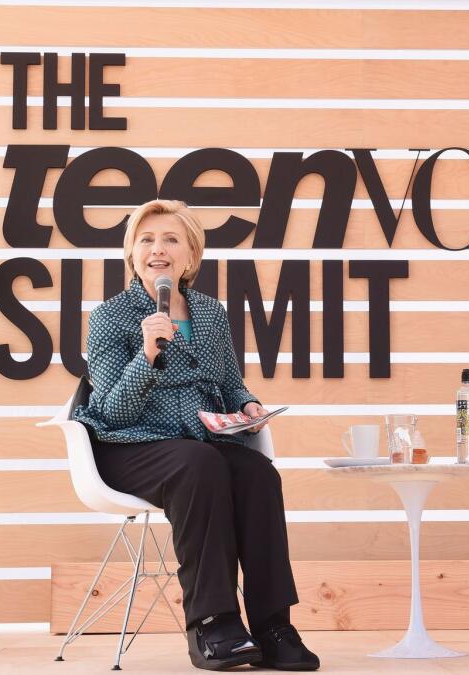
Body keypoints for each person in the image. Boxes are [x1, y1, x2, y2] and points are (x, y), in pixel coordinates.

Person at [73, 199, 319, 671]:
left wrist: (246, 405)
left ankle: (273, 625)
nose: (157, 250)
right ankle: (213, 622)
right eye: (146, 240)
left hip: (199, 443)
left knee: (257, 472)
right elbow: (109, 411)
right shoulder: (111, 317)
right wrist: (146, 355)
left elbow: (227, 382)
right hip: (131, 446)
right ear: (131, 253)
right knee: (199, 464)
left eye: (170, 239)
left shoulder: (209, 312)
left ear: (191, 254)